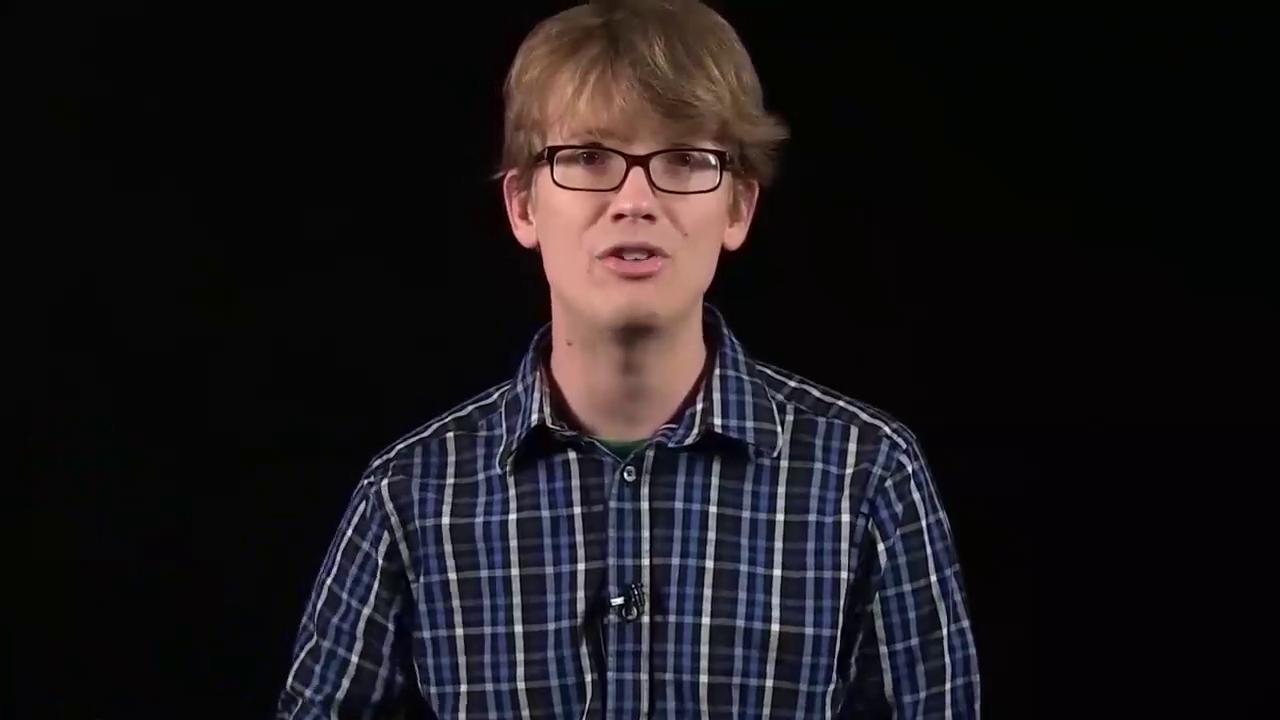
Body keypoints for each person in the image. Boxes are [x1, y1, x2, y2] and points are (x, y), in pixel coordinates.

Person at [275, 1, 980, 717]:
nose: (635, 200)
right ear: (523, 206)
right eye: (588, 157)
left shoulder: (867, 475)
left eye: (684, 159)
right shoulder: (411, 493)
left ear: (738, 207)